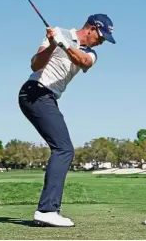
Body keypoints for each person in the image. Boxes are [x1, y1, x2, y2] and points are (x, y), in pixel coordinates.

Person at [18, 14, 115, 227]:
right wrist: (54, 44)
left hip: (48, 98)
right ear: (91, 28)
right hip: (35, 93)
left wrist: (65, 45)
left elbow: (83, 61)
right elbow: (35, 65)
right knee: (64, 149)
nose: (101, 41)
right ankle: (47, 210)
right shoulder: (59, 34)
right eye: (101, 36)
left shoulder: (90, 53)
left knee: (63, 148)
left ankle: (47, 209)